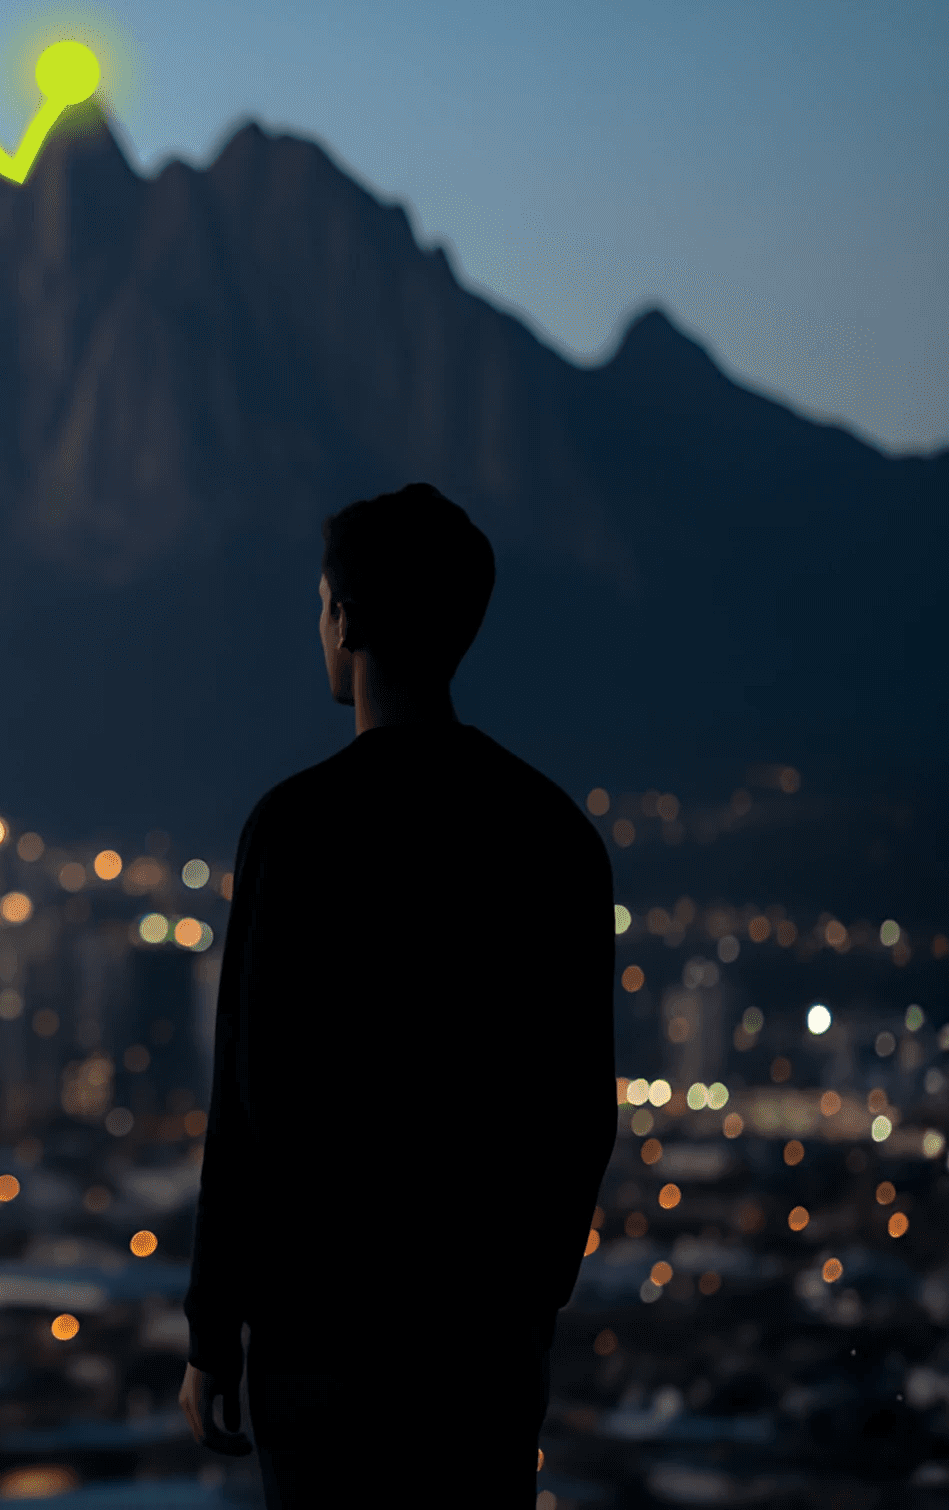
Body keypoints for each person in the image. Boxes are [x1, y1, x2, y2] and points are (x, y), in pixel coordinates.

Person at [179, 482, 619, 1505]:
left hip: (318, 1348)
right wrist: (522, 1305)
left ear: (343, 619)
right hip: (480, 1357)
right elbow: (578, 1111)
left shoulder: (293, 828)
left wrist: (214, 1334)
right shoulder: (553, 835)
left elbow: (245, 1106)